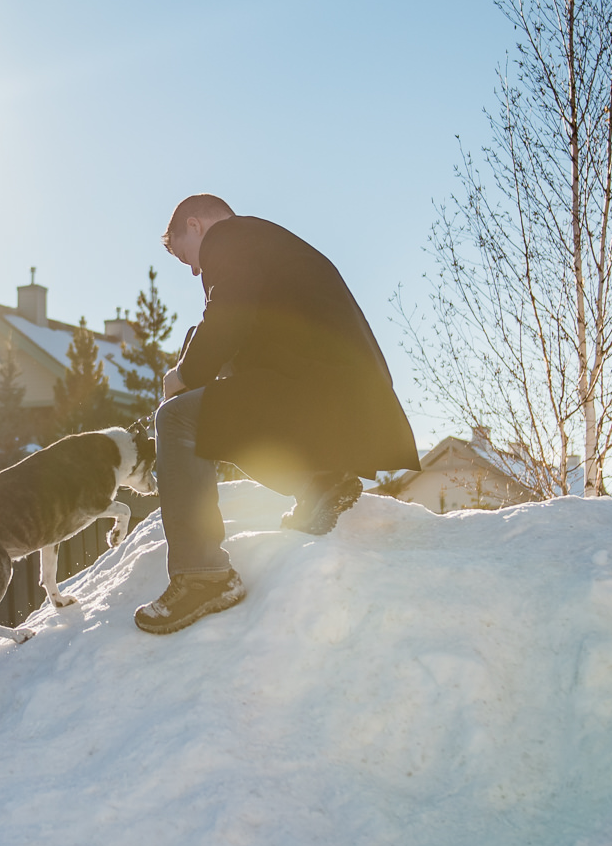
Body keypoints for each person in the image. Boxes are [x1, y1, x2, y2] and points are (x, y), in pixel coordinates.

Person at [134, 195, 419, 635]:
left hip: (318, 392)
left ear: (195, 225)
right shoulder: (266, 243)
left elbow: (226, 318)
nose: (194, 269)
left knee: (176, 420)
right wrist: (198, 368)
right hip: (343, 397)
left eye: (185, 255)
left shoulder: (228, 238)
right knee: (220, 404)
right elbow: (236, 328)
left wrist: (182, 376)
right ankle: (319, 482)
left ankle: (202, 575)